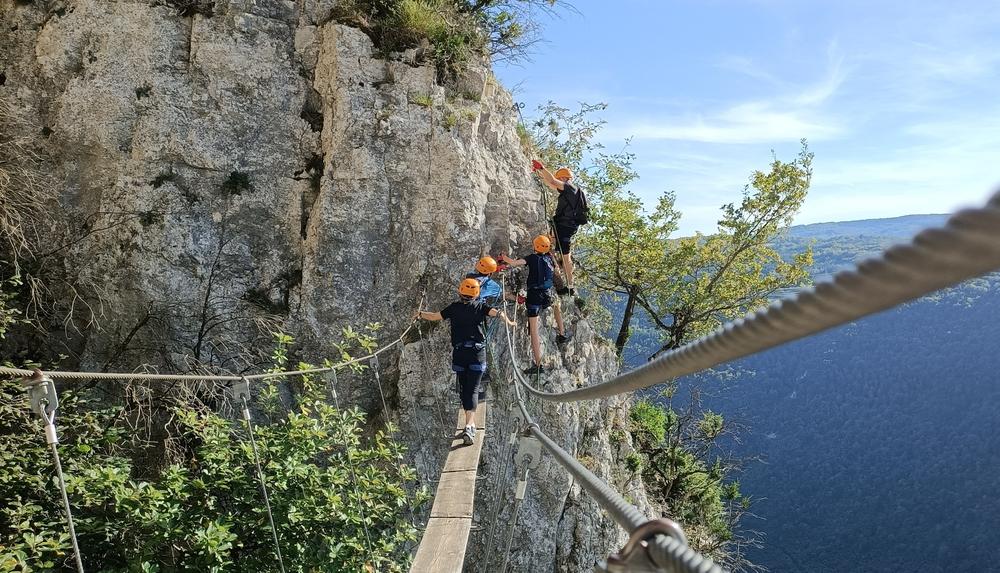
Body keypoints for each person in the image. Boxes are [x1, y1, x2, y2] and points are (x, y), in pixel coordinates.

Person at [417, 278, 515, 445]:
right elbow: (497, 314)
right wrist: (510, 322)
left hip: (460, 354)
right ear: (477, 294)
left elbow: (434, 317)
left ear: (459, 292)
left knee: (464, 388)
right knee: (474, 389)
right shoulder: (480, 306)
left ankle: (469, 423)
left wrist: (419, 314)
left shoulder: (453, 308)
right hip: (477, 353)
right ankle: (470, 425)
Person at [501, 235, 569, 376]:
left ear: (535, 246)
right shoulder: (550, 258)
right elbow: (557, 271)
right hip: (548, 294)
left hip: (534, 297)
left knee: (534, 330)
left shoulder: (532, 258)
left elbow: (514, 263)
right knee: (556, 305)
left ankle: (539, 365)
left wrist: (504, 257)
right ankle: (562, 333)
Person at [531, 160, 584, 296]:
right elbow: (551, 184)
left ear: (564, 178)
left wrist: (542, 168)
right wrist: (540, 174)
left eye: (560, 178)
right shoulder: (572, 191)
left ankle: (569, 285)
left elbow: (553, 182)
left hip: (565, 227)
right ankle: (563, 281)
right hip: (565, 226)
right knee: (558, 252)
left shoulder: (570, 188)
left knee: (566, 257)